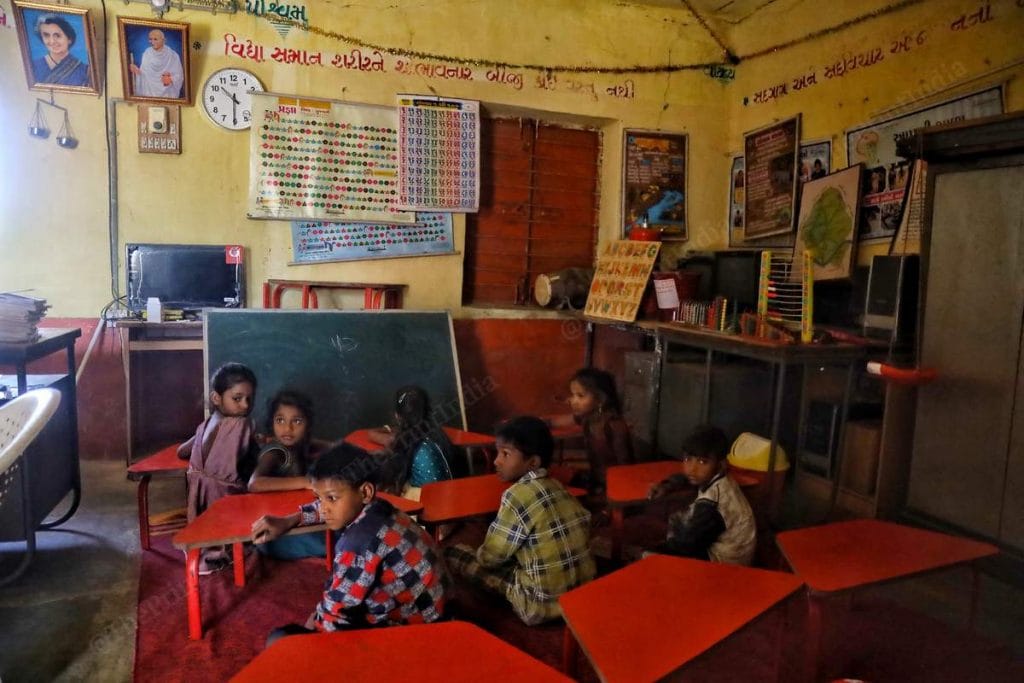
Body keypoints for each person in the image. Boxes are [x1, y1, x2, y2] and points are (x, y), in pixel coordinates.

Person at [251, 442, 449, 644]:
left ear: (365, 492)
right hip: (434, 609)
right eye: (320, 498)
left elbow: (336, 612)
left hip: (416, 632)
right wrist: (290, 520)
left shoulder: (357, 545)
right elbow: (330, 504)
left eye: (331, 498)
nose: (325, 507)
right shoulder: (379, 507)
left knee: (279, 641)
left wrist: (314, 627)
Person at [445, 416, 595, 625]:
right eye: (497, 452)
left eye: (505, 454)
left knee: (456, 554)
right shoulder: (559, 488)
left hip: (538, 607)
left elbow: (490, 558)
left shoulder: (516, 497)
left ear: (533, 462)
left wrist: (482, 552)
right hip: (582, 595)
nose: (497, 460)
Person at [177, 362, 259, 573]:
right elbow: (256, 459)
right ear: (216, 398)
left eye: (250, 399)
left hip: (197, 495)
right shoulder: (244, 424)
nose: (245, 405)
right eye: (237, 398)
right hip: (224, 497)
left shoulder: (204, 424)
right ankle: (218, 555)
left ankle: (198, 546)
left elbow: (181, 451)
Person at [647, 425, 756, 566]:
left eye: (702, 461)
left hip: (725, 567)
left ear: (721, 464)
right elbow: (688, 477)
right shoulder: (718, 477)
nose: (692, 469)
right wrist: (667, 485)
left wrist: (651, 552)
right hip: (721, 551)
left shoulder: (712, 504)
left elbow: (686, 545)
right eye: (687, 459)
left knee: (651, 557)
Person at [248, 390, 330, 559]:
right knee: (333, 542)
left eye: (297, 421)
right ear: (272, 423)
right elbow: (254, 483)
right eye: (280, 420)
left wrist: (338, 447)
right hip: (273, 535)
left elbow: (325, 445)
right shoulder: (277, 452)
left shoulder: (299, 444)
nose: (288, 428)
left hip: (293, 521)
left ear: (307, 425)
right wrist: (305, 481)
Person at [550, 368, 633, 506]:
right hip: (596, 479)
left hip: (614, 486)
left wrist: (611, 504)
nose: (573, 401)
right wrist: (538, 423)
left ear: (601, 399)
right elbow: (562, 421)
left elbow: (625, 468)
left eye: (580, 396)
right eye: (573, 395)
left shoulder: (613, 425)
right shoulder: (589, 417)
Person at [366, 385, 457, 500]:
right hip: (450, 498)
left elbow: (371, 434)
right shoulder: (437, 435)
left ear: (397, 416)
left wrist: (389, 428)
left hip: (429, 505)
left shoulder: (404, 441)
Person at [31, 15, 90, 87]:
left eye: (57, 36)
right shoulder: (32, 66)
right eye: (46, 35)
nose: (52, 41)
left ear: (69, 39)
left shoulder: (85, 71)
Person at [129, 28, 183, 98]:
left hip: (168, 94)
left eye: (155, 39)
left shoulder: (173, 55)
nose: (152, 42)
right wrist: (137, 71)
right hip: (149, 92)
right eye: (150, 39)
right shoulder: (147, 53)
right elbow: (144, 75)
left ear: (164, 40)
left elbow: (179, 76)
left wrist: (171, 79)